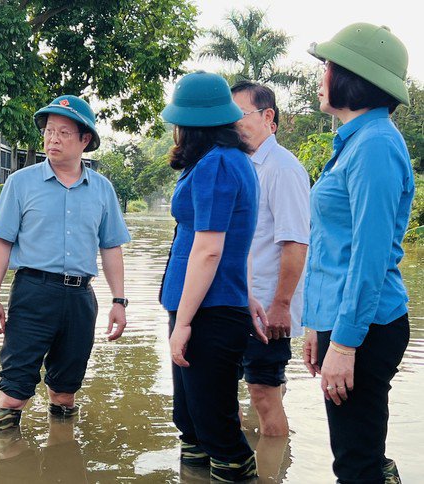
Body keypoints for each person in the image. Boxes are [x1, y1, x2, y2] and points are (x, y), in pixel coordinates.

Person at [302, 23, 414, 484]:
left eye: (327, 67)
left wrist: (344, 342)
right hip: (344, 320)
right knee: (356, 452)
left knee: (356, 463)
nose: (321, 76)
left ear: (351, 77)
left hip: (365, 328)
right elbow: (331, 249)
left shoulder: (374, 146)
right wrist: (316, 325)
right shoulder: (354, 143)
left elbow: (367, 259)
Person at [0, 95, 131, 432]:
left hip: (80, 298)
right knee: (13, 392)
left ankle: (62, 456)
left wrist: (119, 301)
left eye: (64, 132)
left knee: (65, 393)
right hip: (33, 292)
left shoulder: (102, 190)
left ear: (85, 140)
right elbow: (1, 242)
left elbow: (111, 248)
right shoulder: (21, 183)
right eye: (49, 131)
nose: (53, 139)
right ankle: (4, 463)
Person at [160, 71, 268, 482]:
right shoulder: (226, 160)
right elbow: (238, 239)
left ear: (186, 124)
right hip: (213, 304)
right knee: (191, 421)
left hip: (207, 311)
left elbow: (209, 250)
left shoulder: (218, 164)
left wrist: (184, 323)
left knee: (216, 430)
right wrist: (247, 295)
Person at [231, 81, 310, 436]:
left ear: (268, 117)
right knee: (226, 389)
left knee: (264, 393)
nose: (233, 123)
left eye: (240, 114)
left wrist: (281, 304)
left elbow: (295, 243)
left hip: (266, 306)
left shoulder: (283, 168)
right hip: (235, 301)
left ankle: (271, 474)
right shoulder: (244, 165)